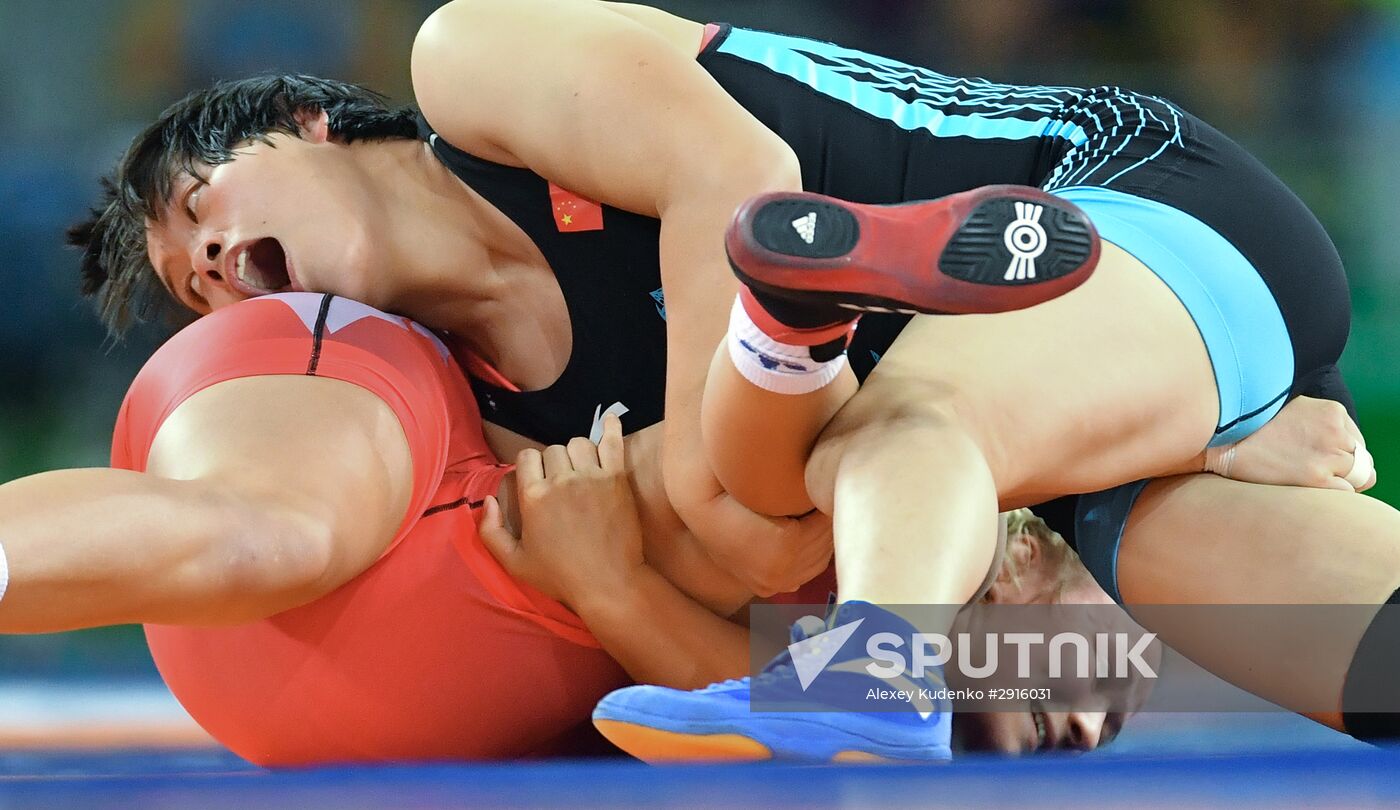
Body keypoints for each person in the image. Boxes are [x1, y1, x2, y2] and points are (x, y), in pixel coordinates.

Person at [68, 0, 1389, 758]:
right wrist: (612, 585)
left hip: (1107, 198)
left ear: (308, 121)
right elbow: (750, 659)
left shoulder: (471, 62)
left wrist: (704, 510)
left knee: (879, 435)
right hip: (1047, 435)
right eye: (200, 283)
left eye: (205, 204)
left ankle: (811, 332)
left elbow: (735, 171)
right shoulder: (490, 425)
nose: (226, 260)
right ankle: (845, 353)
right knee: (1130, 642)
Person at [0, 290, 1121, 762]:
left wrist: (613, 590)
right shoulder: (900, 447)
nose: (1079, 732)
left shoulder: (851, 687)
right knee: (269, 534)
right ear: (1040, 554)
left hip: (323, 665)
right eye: (1097, 682)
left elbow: (776, 710)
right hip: (391, 436)